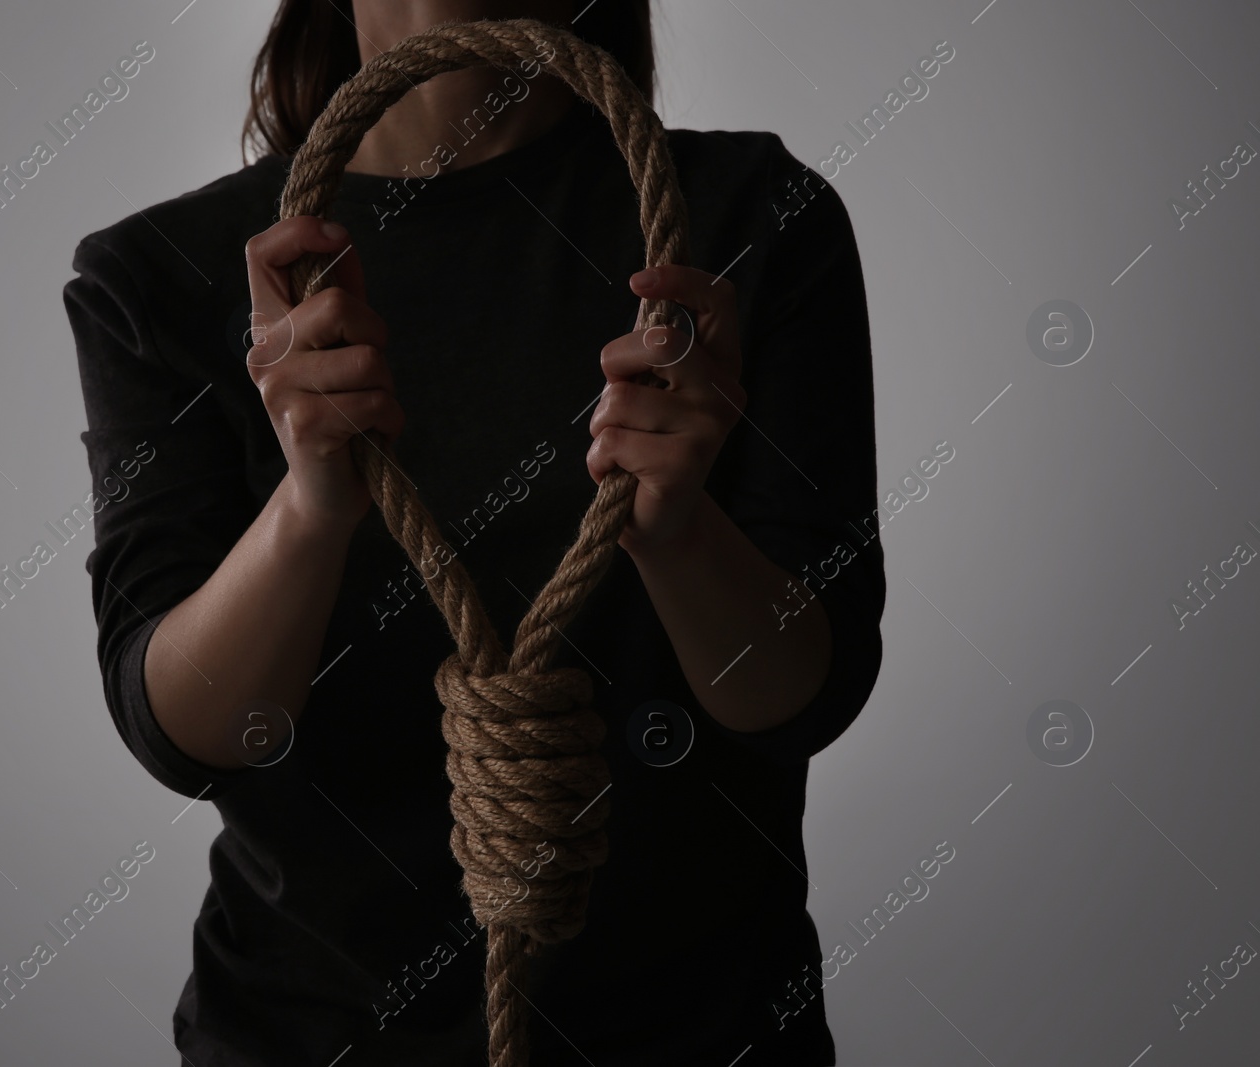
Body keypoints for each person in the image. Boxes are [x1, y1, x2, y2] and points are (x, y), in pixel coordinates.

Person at [63, 1, 884, 1063]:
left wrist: (676, 529)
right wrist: (310, 504)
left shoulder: (749, 221)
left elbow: (800, 691)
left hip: (701, 1033)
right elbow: (184, 729)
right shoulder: (161, 276)